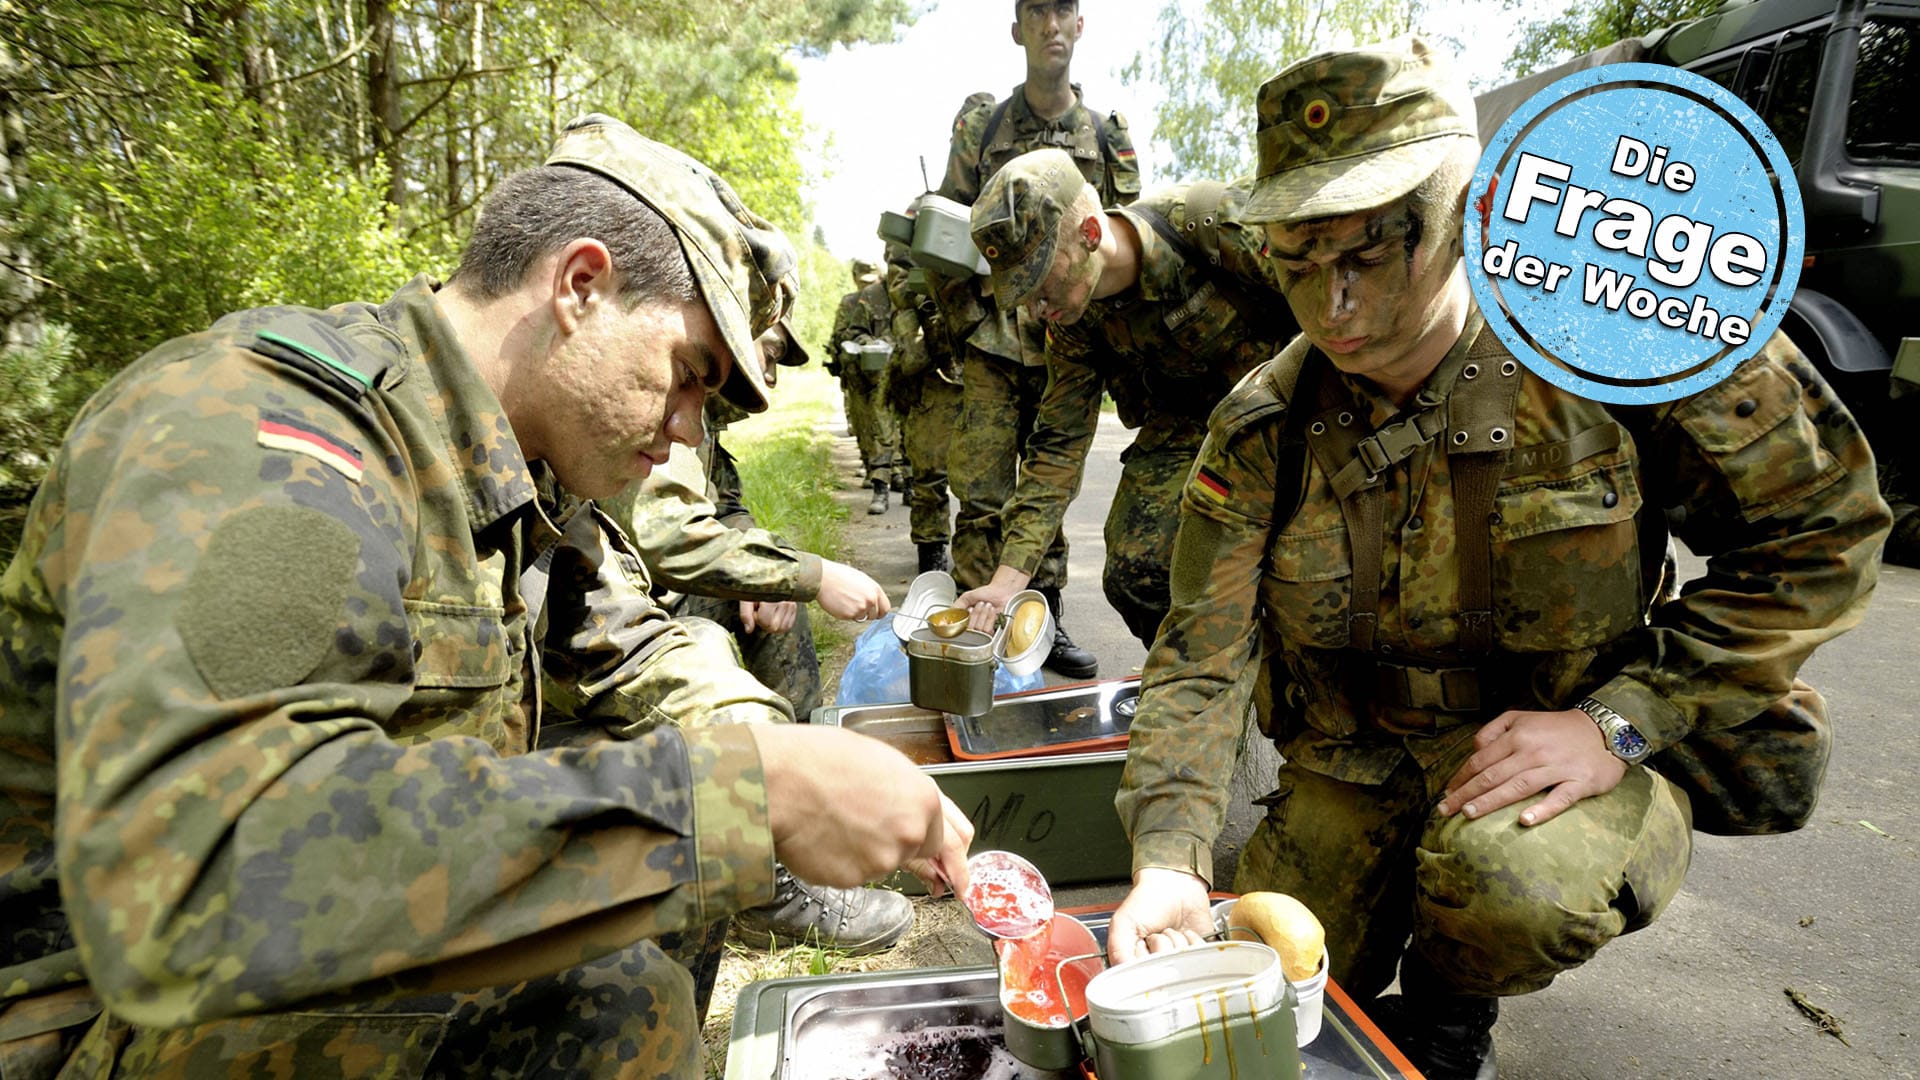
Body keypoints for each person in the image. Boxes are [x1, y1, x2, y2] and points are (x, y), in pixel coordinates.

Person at [0, 114, 972, 1078]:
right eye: (687, 377)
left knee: (653, 892)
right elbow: (206, 869)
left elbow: (631, 642)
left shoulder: (522, 475)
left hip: (267, 973)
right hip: (105, 1013)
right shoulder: (272, 443)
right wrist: (744, 800)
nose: (686, 431)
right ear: (579, 287)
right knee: (620, 993)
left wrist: (783, 753)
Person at [1106, 39, 1890, 1080]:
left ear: (1469, 210)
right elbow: (1199, 661)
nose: (1331, 309)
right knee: (1268, 964)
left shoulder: (1620, 332)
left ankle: (1449, 1004)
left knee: (1508, 892)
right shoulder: (1263, 430)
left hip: (1568, 749)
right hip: (1358, 759)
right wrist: (1166, 860)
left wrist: (1622, 723)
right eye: (1297, 265)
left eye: (1368, 256)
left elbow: (1824, 529)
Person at [605, 320, 917, 956]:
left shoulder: (701, 417)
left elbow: (725, 508)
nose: (768, 379)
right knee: (712, 642)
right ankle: (768, 876)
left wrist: (762, 572)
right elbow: (665, 536)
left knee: (778, 611)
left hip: (628, 596)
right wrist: (808, 574)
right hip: (611, 613)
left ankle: (790, 829)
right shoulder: (658, 400)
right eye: (767, 356)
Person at [956, 149, 1296, 646]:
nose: (1033, 306)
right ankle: (1202, 684)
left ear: (1090, 235)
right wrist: (1008, 581)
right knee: (1136, 574)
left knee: (1307, 565)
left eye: (1040, 282)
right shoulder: (1071, 326)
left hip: (1297, 406)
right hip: (1188, 428)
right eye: (1020, 293)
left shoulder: (1212, 225)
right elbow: (1057, 446)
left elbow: (1331, 310)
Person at [931, 0, 1141, 678]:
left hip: (1068, 341)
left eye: (1064, 10)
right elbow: (942, 233)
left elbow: (1119, 232)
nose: (1051, 24)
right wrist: (965, 323)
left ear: (1080, 25)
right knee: (985, 490)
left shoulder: (1105, 136)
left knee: (1050, 475)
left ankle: (1041, 623)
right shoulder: (983, 125)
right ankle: (977, 630)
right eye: (1036, 11)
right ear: (1018, 28)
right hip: (994, 343)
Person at [883, 234, 966, 575]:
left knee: (990, 482)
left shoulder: (992, 210)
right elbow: (900, 289)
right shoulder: (920, 224)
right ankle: (932, 558)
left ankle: (982, 564)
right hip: (935, 370)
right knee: (929, 472)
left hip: (990, 359)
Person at [829, 259, 901, 514]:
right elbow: (843, 335)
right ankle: (879, 476)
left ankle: (903, 476)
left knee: (903, 432)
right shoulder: (856, 302)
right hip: (865, 375)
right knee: (872, 428)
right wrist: (868, 344)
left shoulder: (908, 293)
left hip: (904, 373)